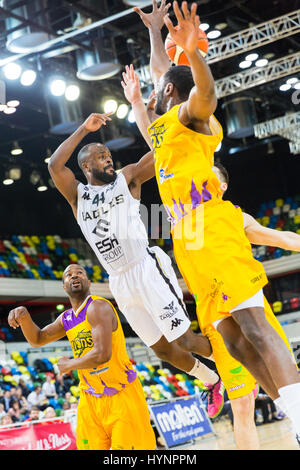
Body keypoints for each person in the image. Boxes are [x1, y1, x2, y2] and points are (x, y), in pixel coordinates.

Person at [133, 0, 300, 443]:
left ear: (171, 91)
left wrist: (194, 54)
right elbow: (159, 73)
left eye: (162, 85)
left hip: (213, 228)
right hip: (187, 242)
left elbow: (204, 95)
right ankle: (288, 408)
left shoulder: (191, 118)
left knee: (256, 329)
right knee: (234, 342)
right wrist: (154, 32)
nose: (156, 85)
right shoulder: (162, 128)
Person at [47, 105, 225, 415]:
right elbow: (54, 164)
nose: (109, 159)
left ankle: (231, 360)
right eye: (102, 156)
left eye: (109, 156)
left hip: (146, 267)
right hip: (118, 280)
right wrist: (84, 130)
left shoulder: (126, 178)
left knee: (182, 338)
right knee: (161, 349)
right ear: (86, 164)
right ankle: (212, 381)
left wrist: (171, 120)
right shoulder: (78, 195)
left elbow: (157, 154)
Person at [8, 264, 156, 450]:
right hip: (90, 397)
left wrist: (70, 364)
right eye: (69, 275)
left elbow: (102, 354)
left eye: (80, 273)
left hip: (121, 393)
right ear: (64, 286)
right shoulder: (67, 318)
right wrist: (24, 317)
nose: (74, 276)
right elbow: (37, 339)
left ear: (89, 282)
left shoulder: (98, 306)